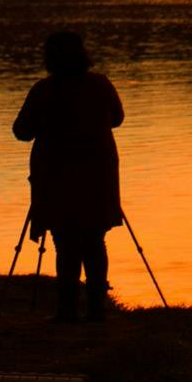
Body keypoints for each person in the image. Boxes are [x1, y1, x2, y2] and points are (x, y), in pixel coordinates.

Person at [12, 30, 123, 322]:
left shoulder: (44, 90)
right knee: (95, 241)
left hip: (57, 177)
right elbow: (118, 118)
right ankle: (97, 309)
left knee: (66, 242)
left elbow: (21, 131)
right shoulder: (100, 84)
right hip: (97, 176)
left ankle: (67, 310)